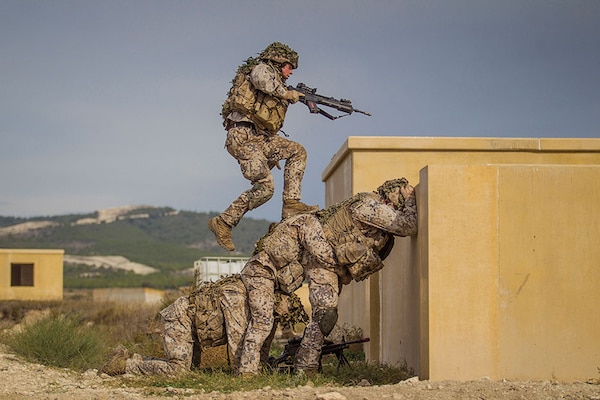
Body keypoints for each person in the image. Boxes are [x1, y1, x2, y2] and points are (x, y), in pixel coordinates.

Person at [291, 178, 418, 375]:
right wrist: (411, 200)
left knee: (324, 315)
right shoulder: (372, 207)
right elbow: (409, 226)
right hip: (322, 262)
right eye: (401, 198)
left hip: (329, 263)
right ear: (393, 198)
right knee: (326, 314)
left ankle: (304, 360)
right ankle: (304, 367)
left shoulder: (371, 203)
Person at [209, 42, 318, 252]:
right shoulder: (261, 70)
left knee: (297, 151)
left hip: (260, 138)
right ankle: (223, 222)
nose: (291, 71)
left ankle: (291, 204)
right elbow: (262, 81)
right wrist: (287, 94)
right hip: (242, 136)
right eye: (288, 66)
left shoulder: (276, 81)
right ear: (277, 62)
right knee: (265, 188)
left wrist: (272, 153)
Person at [99, 274, 307, 376]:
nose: (274, 320)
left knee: (193, 370)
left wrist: (262, 366)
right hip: (180, 319)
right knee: (178, 371)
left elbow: (261, 348)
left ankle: (134, 358)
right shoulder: (238, 298)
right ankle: (125, 366)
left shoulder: (263, 313)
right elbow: (238, 347)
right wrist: (246, 375)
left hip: (197, 330)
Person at [237, 213, 341, 377]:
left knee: (270, 323)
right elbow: (322, 253)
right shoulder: (308, 223)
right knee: (262, 321)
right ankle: (246, 371)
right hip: (261, 272)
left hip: (272, 279)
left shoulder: (302, 237)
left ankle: (260, 366)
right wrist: (342, 263)